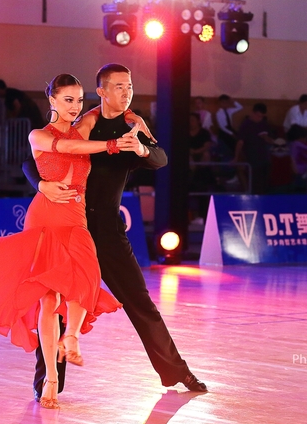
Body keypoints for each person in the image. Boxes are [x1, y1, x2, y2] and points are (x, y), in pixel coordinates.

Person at [0, 74, 136, 409]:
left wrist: (135, 119)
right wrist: (113, 145)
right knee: (49, 301)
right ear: (52, 100)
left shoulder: (83, 126)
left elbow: (105, 109)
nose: (75, 107)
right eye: (68, 100)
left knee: (86, 275)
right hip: (46, 217)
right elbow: (69, 148)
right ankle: (51, 377)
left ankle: (72, 337)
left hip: (75, 217)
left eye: (79, 100)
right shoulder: (38, 135)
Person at [23, 63, 208, 401]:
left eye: (130, 87)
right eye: (119, 87)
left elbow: (160, 158)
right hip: (71, 224)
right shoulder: (83, 123)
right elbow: (34, 158)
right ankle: (47, 382)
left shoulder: (132, 128)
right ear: (102, 91)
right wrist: (40, 184)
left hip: (107, 230)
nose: (127, 93)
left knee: (139, 300)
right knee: (54, 302)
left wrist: (140, 148)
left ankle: (176, 370)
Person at [234, 103, 275, 194]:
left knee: (264, 184)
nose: (259, 118)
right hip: (252, 157)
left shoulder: (264, 124)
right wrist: (236, 157)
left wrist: (266, 138)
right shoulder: (245, 125)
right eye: (258, 116)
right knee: (255, 183)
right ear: (252, 113)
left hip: (264, 158)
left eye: (262, 117)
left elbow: (272, 141)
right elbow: (240, 142)